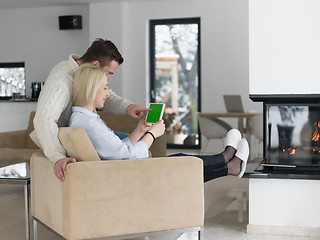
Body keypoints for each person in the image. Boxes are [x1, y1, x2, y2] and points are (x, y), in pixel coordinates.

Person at [56, 64, 250, 182]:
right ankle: (226, 158)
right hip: (128, 174)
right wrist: (151, 134)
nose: (108, 93)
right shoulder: (87, 123)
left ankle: (228, 165)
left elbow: (119, 149)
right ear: (91, 89)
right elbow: (125, 154)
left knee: (182, 161)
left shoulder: (83, 118)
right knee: (182, 162)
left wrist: (140, 129)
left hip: (123, 170)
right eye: (105, 88)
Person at [34, 38, 150, 179]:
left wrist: (128, 107)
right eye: (109, 73)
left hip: (83, 128)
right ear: (95, 65)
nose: (108, 79)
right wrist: (57, 157)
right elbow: (43, 119)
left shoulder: (82, 74)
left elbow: (100, 93)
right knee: (131, 147)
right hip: (72, 138)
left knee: (129, 140)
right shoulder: (62, 81)